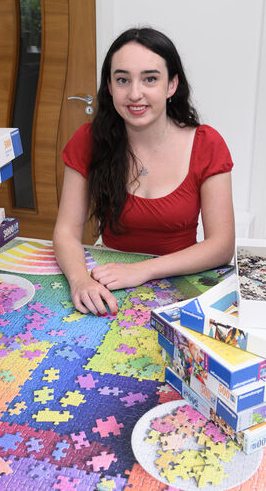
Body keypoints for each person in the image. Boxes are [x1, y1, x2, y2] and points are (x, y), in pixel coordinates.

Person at [53, 27, 235, 316]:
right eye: (123, 80)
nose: (135, 94)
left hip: (181, 279)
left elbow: (222, 246)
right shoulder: (88, 140)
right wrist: (79, 281)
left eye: (150, 79)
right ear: (110, 87)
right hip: (111, 279)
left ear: (171, 85)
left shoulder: (207, 143)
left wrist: (142, 270)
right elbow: (65, 231)